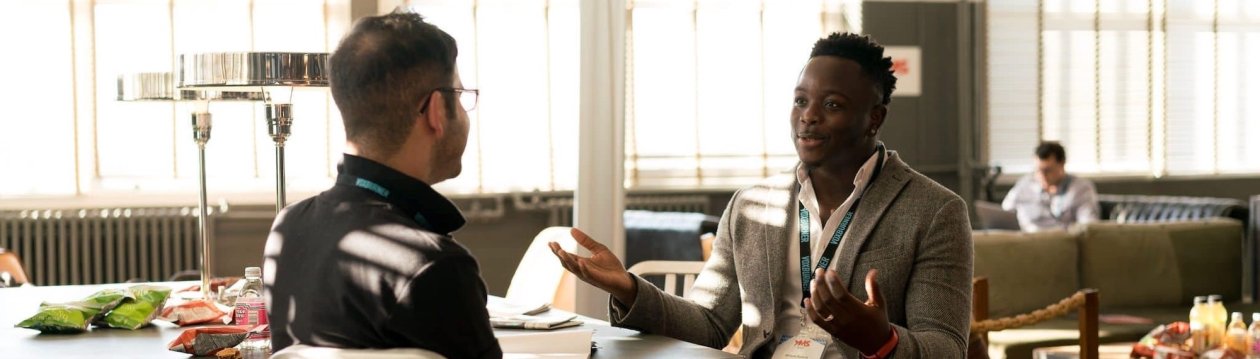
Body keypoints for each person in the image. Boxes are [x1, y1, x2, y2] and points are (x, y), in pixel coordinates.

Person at [551, 33, 972, 358]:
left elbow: (947, 347)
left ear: (874, 119)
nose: (808, 116)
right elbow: (710, 323)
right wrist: (629, 288)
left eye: (831, 104)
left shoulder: (934, 211)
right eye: (800, 101)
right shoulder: (752, 206)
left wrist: (882, 341)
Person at [263, 11, 501, 358]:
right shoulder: (434, 267)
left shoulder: (289, 226)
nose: (465, 113)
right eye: (461, 95)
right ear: (436, 110)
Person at [1001, 141, 1100, 232]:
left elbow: (1088, 226)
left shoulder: (1080, 188)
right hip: (1025, 240)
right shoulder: (1025, 184)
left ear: (1062, 164)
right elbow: (1004, 212)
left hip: (1060, 241)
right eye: (1038, 170)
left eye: (1047, 170)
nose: (1042, 176)